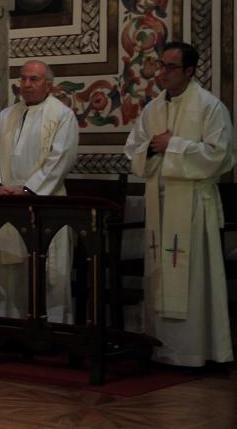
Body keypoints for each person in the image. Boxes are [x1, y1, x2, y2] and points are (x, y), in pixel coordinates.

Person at [124, 41, 235, 367]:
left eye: (170, 67)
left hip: (193, 207)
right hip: (159, 206)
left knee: (194, 281)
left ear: (189, 70)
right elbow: (134, 149)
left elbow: (222, 156)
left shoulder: (209, 106)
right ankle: (162, 349)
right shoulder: (152, 108)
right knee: (160, 276)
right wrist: (153, 149)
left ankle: (195, 352)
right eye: (160, 65)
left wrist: (173, 145)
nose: (162, 73)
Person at [0, 60, 79, 323]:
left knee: (48, 272)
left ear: (49, 85)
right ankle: (9, 325)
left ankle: (50, 331)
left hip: (45, 206)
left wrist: (28, 190)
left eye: (34, 79)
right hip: (8, 207)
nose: (26, 85)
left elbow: (60, 160)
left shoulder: (62, 116)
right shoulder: (6, 115)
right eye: (23, 79)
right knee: (8, 272)